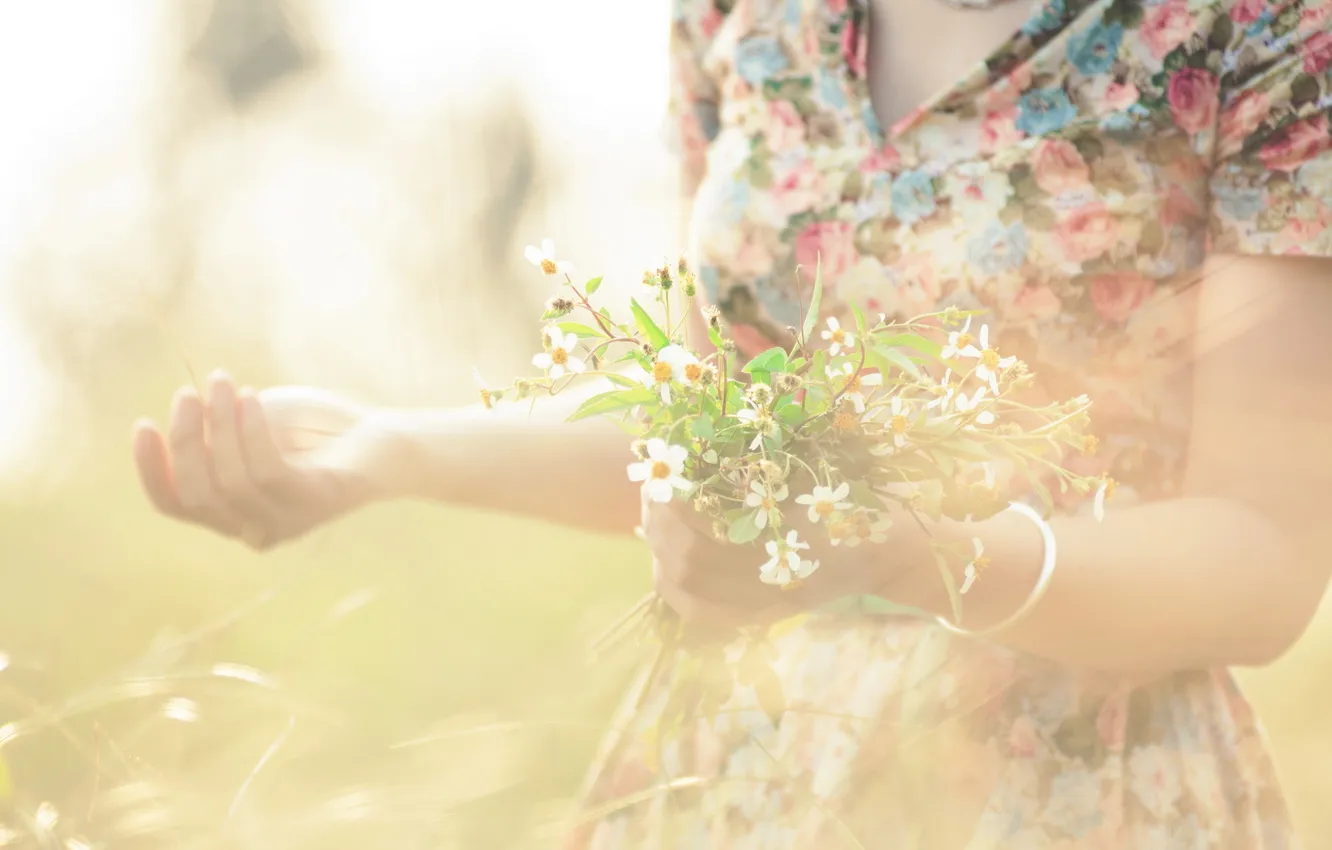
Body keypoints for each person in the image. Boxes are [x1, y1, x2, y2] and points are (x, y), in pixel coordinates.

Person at [133, 0, 1332, 845]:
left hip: (1082, 786)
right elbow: (727, 442)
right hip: (745, 774)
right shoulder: (740, 14)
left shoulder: (1268, 28)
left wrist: (915, 552)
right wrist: (389, 447)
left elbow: (1262, 563)